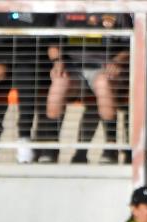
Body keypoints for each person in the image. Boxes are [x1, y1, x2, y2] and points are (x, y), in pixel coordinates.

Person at [46, 13, 132, 164]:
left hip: (103, 69)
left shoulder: (118, 12)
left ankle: (110, 148)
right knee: (59, 83)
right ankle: (51, 148)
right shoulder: (68, 10)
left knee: (103, 84)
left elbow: (129, 45)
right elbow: (53, 44)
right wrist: (57, 61)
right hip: (73, 69)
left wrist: (117, 62)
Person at [0, 12, 57, 163]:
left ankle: (24, 143)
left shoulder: (42, 9)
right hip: (0, 56)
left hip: (31, 58)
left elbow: (36, 35)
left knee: (26, 75)